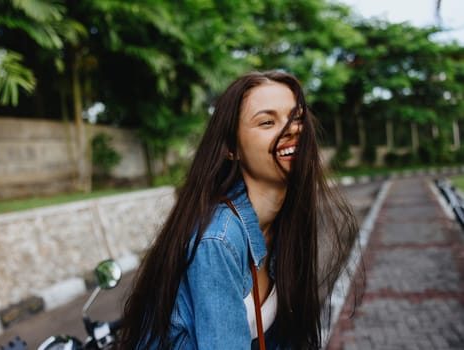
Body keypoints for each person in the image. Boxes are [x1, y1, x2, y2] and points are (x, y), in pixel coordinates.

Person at [118, 70, 359, 349]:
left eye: (297, 118)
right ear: (232, 148)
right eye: (267, 122)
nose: (292, 128)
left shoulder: (284, 219)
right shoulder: (218, 240)